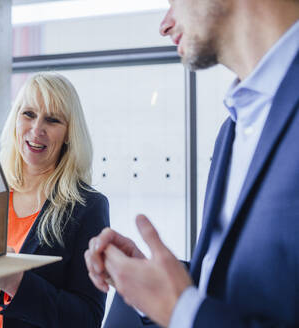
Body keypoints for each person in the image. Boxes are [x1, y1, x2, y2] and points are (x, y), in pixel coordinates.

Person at [85, 0, 299, 327]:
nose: (165, 24)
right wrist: (154, 285)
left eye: (172, 2)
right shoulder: (232, 130)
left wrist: (181, 310)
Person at [0, 72, 110, 328]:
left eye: (52, 120)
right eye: (28, 114)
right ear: (15, 119)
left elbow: (88, 318)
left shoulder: (87, 206)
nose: (36, 129)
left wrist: (15, 282)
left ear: (69, 134)